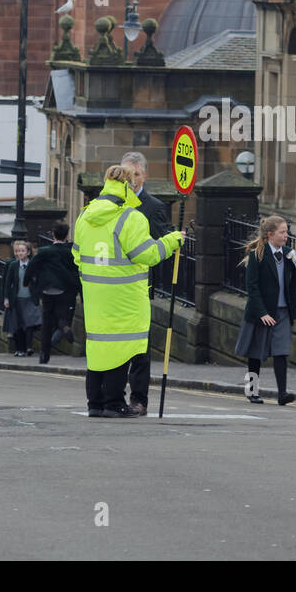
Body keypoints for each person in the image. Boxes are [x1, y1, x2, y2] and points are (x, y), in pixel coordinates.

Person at [73, 164, 184, 418]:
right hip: (125, 296)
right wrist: (172, 240)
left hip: (94, 294)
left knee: (99, 347)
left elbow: (77, 255)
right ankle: (114, 403)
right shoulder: (130, 217)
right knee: (121, 349)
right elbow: (147, 254)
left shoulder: (85, 215)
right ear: (128, 187)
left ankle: (95, 404)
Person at [120, 151, 169, 415]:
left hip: (140, 288)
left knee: (140, 347)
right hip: (114, 287)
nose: (132, 180)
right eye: (128, 174)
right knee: (115, 346)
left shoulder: (154, 207)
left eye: (136, 174)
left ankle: (139, 399)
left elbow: (162, 246)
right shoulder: (112, 205)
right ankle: (115, 396)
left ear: (144, 176)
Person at [236, 215, 296, 406]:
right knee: (255, 354)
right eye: (283, 232)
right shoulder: (257, 255)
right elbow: (252, 287)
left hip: (282, 312)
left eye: (287, 231)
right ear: (271, 235)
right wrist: (262, 312)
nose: (286, 236)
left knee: (281, 352)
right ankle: (252, 391)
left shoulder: (289, 253)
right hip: (261, 313)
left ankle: (282, 394)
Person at [33, 221, 79, 364]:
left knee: (47, 323)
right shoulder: (70, 251)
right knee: (62, 315)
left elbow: (32, 266)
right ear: (67, 235)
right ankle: (64, 326)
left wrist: (28, 281)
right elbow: (77, 268)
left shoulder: (44, 251)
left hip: (47, 291)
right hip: (66, 290)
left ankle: (44, 355)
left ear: (53, 235)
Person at [2, 240, 41, 357]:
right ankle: (20, 349)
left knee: (29, 324)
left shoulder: (33, 265)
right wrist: (6, 299)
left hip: (29, 298)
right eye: (18, 251)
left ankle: (28, 347)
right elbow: (7, 283)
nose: (20, 253)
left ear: (28, 252)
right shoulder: (13, 265)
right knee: (18, 325)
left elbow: (38, 281)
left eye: (23, 251)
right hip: (17, 299)